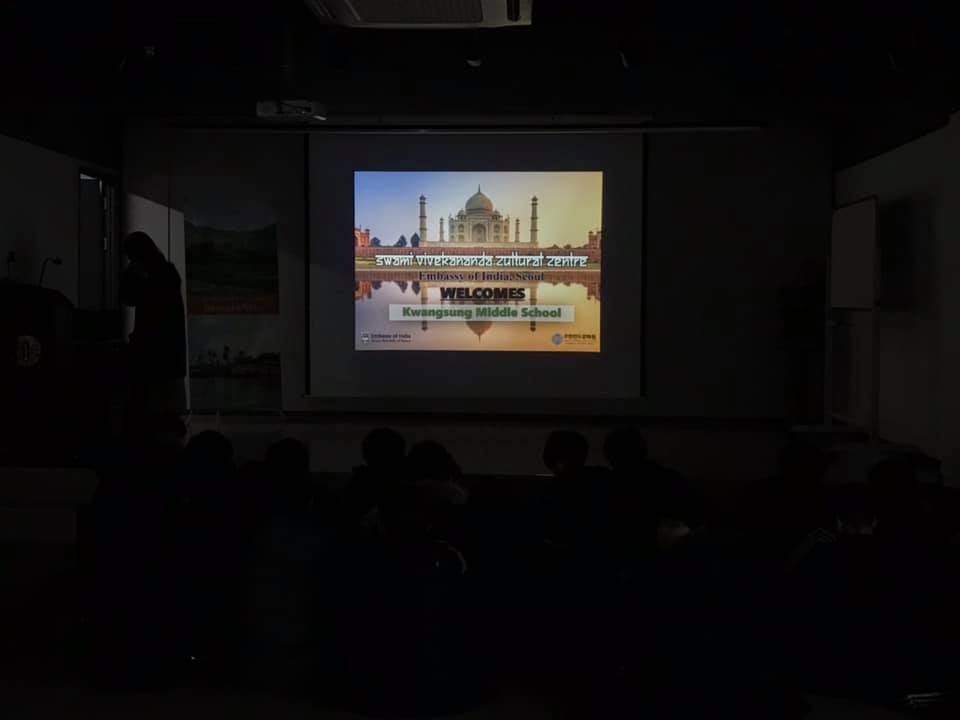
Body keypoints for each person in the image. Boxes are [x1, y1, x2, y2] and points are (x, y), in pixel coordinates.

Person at [120, 231, 187, 436]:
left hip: (156, 349)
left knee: (150, 403)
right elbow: (130, 298)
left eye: (132, 257)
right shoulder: (165, 273)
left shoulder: (162, 275)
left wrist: (138, 278)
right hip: (160, 349)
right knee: (158, 405)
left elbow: (140, 301)